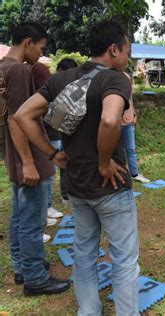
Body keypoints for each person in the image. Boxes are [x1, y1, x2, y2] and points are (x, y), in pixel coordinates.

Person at [14, 20, 139, 314]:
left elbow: (23, 114)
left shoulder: (62, 78)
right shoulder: (116, 79)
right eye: (127, 51)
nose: (127, 58)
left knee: (84, 253)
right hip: (110, 187)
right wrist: (105, 162)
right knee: (123, 258)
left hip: (76, 185)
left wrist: (51, 154)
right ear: (113, 50)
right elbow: (110, 120)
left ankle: (88, 311)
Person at [0, 22, 70, 295]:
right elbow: (17, 119)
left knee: (19, 217)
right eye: (40, 48)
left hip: (15, 156)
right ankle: (35, 279)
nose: (40, 55)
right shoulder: (18, 70)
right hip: (29, 159)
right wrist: (29, 161)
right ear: (28, 42)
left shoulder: (3, 68)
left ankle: (22, 267)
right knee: (32, 221)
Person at [30, 62, 62, 244]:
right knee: (45, 178)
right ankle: (39, 219)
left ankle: (44, 212)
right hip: (46, 137)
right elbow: (18, 118)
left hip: (50, 135)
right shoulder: (37, 98)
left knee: (49, 176)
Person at [121, 72, 150, 183]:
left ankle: (134, 173)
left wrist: (134, 114)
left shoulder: (126, 76)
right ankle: (121, 174)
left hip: (129, 121)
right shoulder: (109, 77)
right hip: (116, 123)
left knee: (131, 149)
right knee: (117, 151)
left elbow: (130, 99)